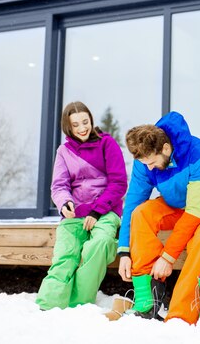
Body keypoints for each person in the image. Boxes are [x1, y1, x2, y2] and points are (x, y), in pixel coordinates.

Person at [117, 111, 200, 324]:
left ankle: (180, 317)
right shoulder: (145, 159)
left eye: (152, 163)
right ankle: (147, 301)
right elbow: (134, 203)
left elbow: (194, 213)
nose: (149, 168)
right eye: (145, 164)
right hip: (178, 203)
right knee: (141, 214)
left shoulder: (199, 154)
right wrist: (125, 250)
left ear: (165, 148)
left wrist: (167, 257)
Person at [36, 101, 128, 310]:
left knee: (100, 244)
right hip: (74, 214)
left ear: (91, 120)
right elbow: (59, 185)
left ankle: (78, 305)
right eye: (76, 124)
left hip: (105, 211)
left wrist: (97, 211)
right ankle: (47, 306)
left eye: (85, 122)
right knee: (65, 255)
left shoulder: (107, 143)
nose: (82, 128)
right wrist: (64, 203)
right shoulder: (64, 151)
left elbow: (119, 183)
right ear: (68, 127)